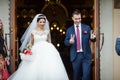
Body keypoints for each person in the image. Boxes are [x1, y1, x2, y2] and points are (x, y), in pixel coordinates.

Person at [8, 14, 69, 80]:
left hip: (47, 50)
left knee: (48, 66)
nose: (42, 23)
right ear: (37, 22)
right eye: (40, 22)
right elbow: (31, 43)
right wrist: (28, 48)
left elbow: (49, 41)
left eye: (43, 22)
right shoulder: (33, 32)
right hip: (36, 50)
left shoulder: (47, 32)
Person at [64, 9, 96, 80]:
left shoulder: (87, 28)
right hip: (75, 56)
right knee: (76, 77)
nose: (78, 20)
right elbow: (65, 42)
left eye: (79, 18)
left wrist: (93, 38)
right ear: (72, 18)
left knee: (86, 76)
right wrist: (70, 41)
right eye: (76, 19)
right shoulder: (69, 30)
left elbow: (93, 39)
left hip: (86, 55)